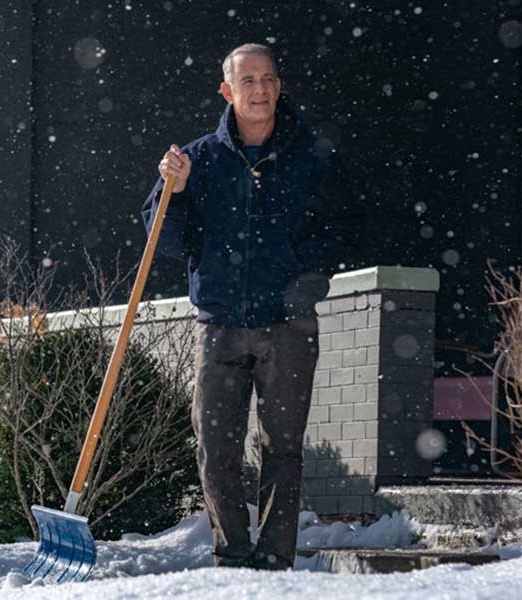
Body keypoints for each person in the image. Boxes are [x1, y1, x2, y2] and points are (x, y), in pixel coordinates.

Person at [141, 43, 362, 570]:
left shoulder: (311, 156)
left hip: (287, 326)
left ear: (278, 86)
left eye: (267, 79)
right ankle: (232, 555)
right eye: (248, 81)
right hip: (218, 327)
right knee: (216, 450)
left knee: (282, 450)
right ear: (227, 91)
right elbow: (163, 241)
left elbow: (340, 230)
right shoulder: (199, 159)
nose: (259, 90)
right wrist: (172, 191)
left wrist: (306, 282)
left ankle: (275, 559)